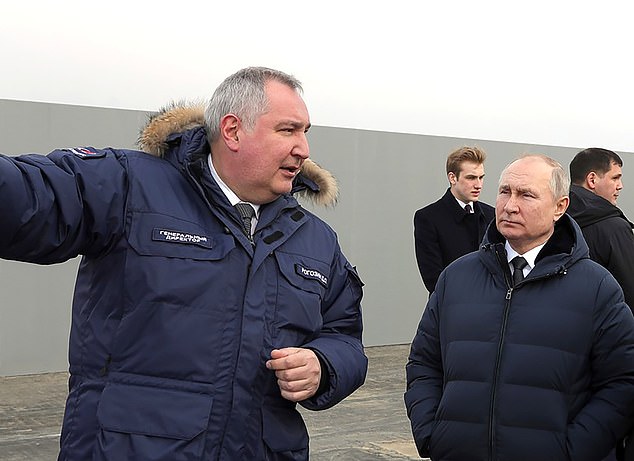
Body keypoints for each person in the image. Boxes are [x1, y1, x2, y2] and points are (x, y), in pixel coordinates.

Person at [0, 67, 368, 460]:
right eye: (288, 130)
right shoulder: (128, 186)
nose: (304, 148)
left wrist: (322, 364)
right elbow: (29, 197)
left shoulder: (315, 239)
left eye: (305, 131)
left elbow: (344, 335)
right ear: (232, 130)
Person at [405, 154, 634, 461]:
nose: (510, 205)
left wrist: (571, 450)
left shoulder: (597, 287)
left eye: (526, 195)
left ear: (559, 207)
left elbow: (622, 382)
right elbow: (423, 363)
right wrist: (433, 432)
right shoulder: (456, 278)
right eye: (504, 192)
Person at [413, 146, 495, 293]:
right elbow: (433, 278)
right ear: (452, 178)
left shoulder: (492, 215)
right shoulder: (428, 218)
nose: (478, 185)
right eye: (471, 177)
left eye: (481, 177)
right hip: (449, 307)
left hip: (490, 308)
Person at [568, 147, 634, 307]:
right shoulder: (615, 228)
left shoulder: (551, 218)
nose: (620, 186)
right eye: (615, 178)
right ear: (592, 180)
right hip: (609, 325)